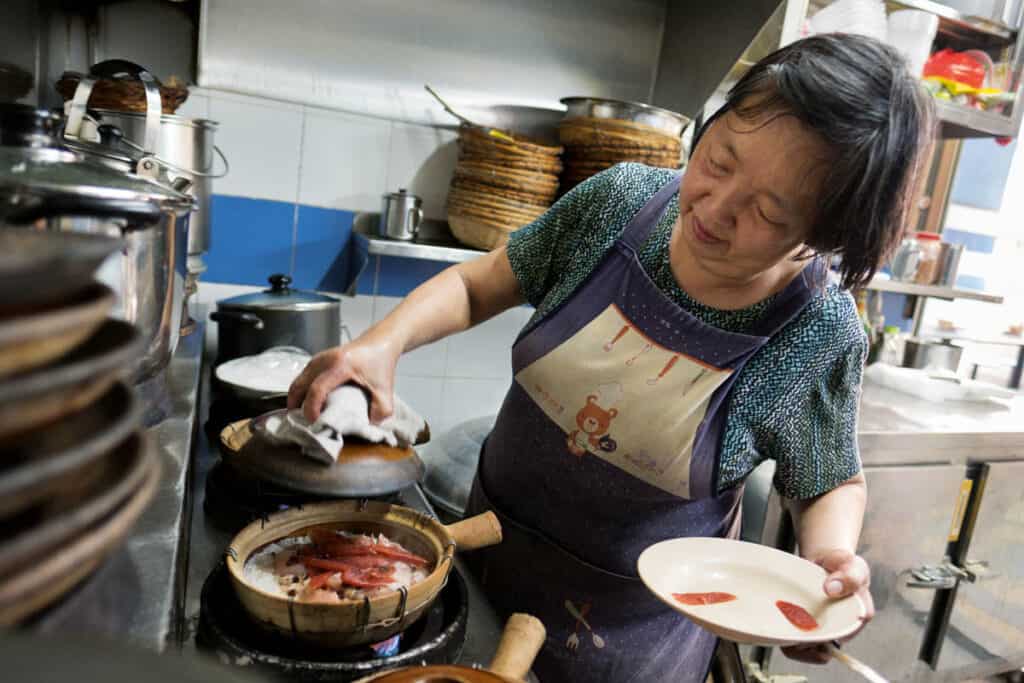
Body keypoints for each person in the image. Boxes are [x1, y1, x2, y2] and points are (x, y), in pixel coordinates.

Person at [289, 33, 934, 682]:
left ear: (821, 236)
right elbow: (478, 282)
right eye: (720, 159)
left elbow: (827, 478)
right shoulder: (621, 202)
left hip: (630, 643)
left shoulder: (816, 332)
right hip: (486, 567)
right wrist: (383, 343)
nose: (715, 205)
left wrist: (828, 560)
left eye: (766, 210)